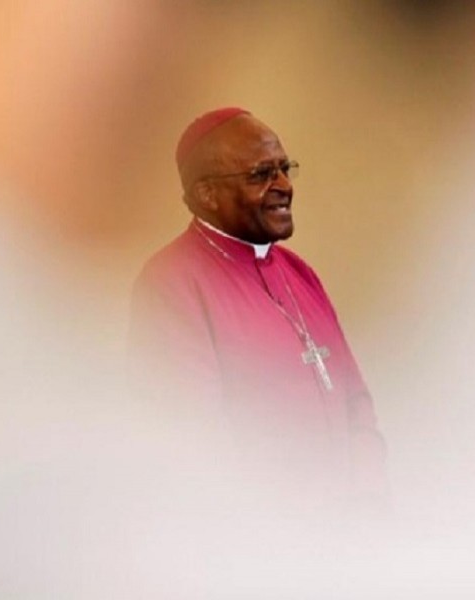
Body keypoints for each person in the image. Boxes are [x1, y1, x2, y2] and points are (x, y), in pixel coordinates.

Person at [129, 107, 389, 516]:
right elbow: (191, 436)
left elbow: (356, 400)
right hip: (261, 543)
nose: (284, 185)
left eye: (284, 169)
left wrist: (369, 497)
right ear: (206, 195)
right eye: (261, 175)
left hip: (347, 536)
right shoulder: (171, 282)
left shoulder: (299, 272)